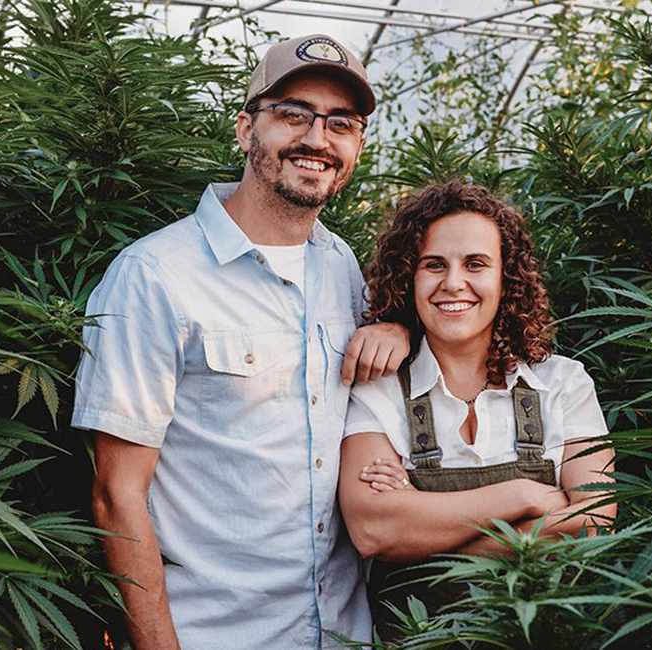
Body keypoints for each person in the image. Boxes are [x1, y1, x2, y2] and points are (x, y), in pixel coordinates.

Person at [72, 34, 409, 650]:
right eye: (293, 115)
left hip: (343, 633)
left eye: (342, 123)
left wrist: (397, 327)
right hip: (214, 635)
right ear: (246, 129)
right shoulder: (153, 276)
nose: (318, 139)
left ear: (357, 144)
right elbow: (115, 495)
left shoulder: (343, 268)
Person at [337, 181, 617, 641]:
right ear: (409, 276)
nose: (453, 283)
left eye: (475, 264)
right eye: (433, 265)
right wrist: (524, 496)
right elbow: (374, 529)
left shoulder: (563, 383)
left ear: (507, 277)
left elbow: (594, 524)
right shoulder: (380, 389)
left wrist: (425, 530)